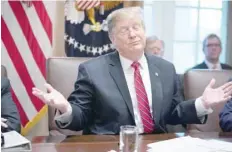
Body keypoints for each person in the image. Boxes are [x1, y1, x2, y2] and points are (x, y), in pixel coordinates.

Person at [32, 7, 232, 134]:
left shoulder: (165, 68)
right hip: (109, 146)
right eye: (124, 30)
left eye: (137, 27)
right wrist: (66, 108)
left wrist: (202, 103)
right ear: (112, 39)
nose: (133, 34)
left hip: (154, 145)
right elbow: (81, 116)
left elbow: (173, 114)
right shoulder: (92, 70)